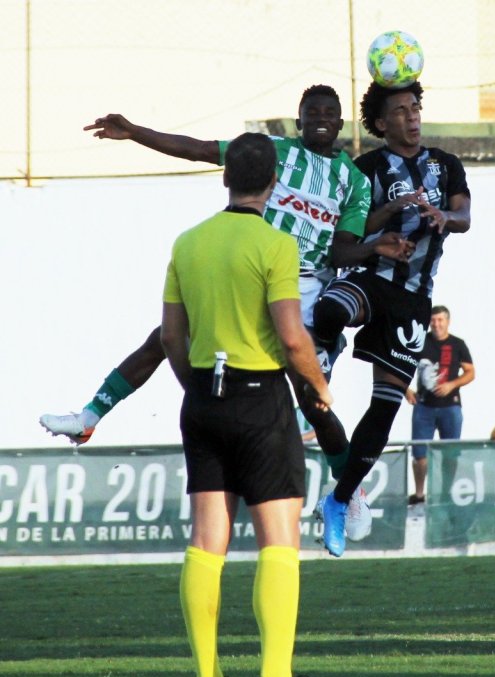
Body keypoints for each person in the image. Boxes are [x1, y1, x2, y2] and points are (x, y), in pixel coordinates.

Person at [39, 85, 411, 474]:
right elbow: (199, 149)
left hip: (303, 287)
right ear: (299, 121)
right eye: (311, 113)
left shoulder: (353, 181)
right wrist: (135, 132)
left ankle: (347, 491)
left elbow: (341, 250)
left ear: (339, 123)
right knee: (163, 338)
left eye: (328, 113)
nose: (320, 118)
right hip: (249, 273)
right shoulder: (272, 151)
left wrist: (373, 249)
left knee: (313, 404)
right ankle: (88, 417)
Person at [161, 132, 330, 677]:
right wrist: (319, 387)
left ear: (225, 177)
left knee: (207, 540)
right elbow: (292, 337)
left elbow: (170, 337)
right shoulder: (277, 245)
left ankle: (207, 676)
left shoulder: (187, 242)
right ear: (276, 184)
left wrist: (198, 385)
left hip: (203, 399)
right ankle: (275, 675)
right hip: (261, 399)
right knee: (280, 539)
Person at [312, 80, 471, 557]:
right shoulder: (367, 168)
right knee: (329, 309)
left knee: (385, 407)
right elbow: (352, 229)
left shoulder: (446, 164)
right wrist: (393, 211)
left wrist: (443, 216)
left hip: (412, 299)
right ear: (381, 124)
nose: (413, 116)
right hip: (369, 275)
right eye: (401, 110)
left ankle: (339, 500)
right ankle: (323, 357)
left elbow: (465, 216)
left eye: (416, 107)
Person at [404, 305, 475, 505]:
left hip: (450, 407)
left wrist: (452, 384)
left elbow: (470, 372)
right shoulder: (420, 341)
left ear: (447, 321)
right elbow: (401, 364)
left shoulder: (457, 344)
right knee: (419, 455)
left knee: (449, 454)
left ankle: (445, 494)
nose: (436, 324)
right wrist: (405, 390)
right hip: (424, 406)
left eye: (440, 320)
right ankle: (419, 495)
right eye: (433, 320)